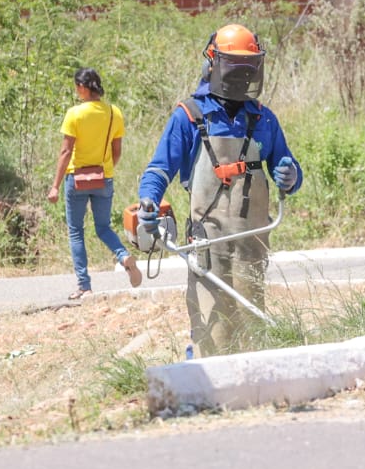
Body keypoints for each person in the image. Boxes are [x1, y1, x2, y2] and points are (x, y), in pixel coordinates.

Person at [135, 23, 302, 356]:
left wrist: (290, 175)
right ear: (211, 65)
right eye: (233, 68)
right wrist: (148, 201)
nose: (240, 77)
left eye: (247, 69)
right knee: (215, 329)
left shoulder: (263, 119)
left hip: (252, 241)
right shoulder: (190, 117)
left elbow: (288, 167)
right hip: (207, 243)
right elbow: (159, 169)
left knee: (253, 323)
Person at [48, 68, 142, 300]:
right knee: (103, 227)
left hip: (76, 180)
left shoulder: (75, 114)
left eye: (76, 87)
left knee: (76, 232)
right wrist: (106, 170)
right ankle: (122, 255)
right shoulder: (113, 113)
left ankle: (84, 286)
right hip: (104, 178)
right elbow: (117, 151)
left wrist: (55, 186)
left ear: (82, 87)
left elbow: (65, 151)